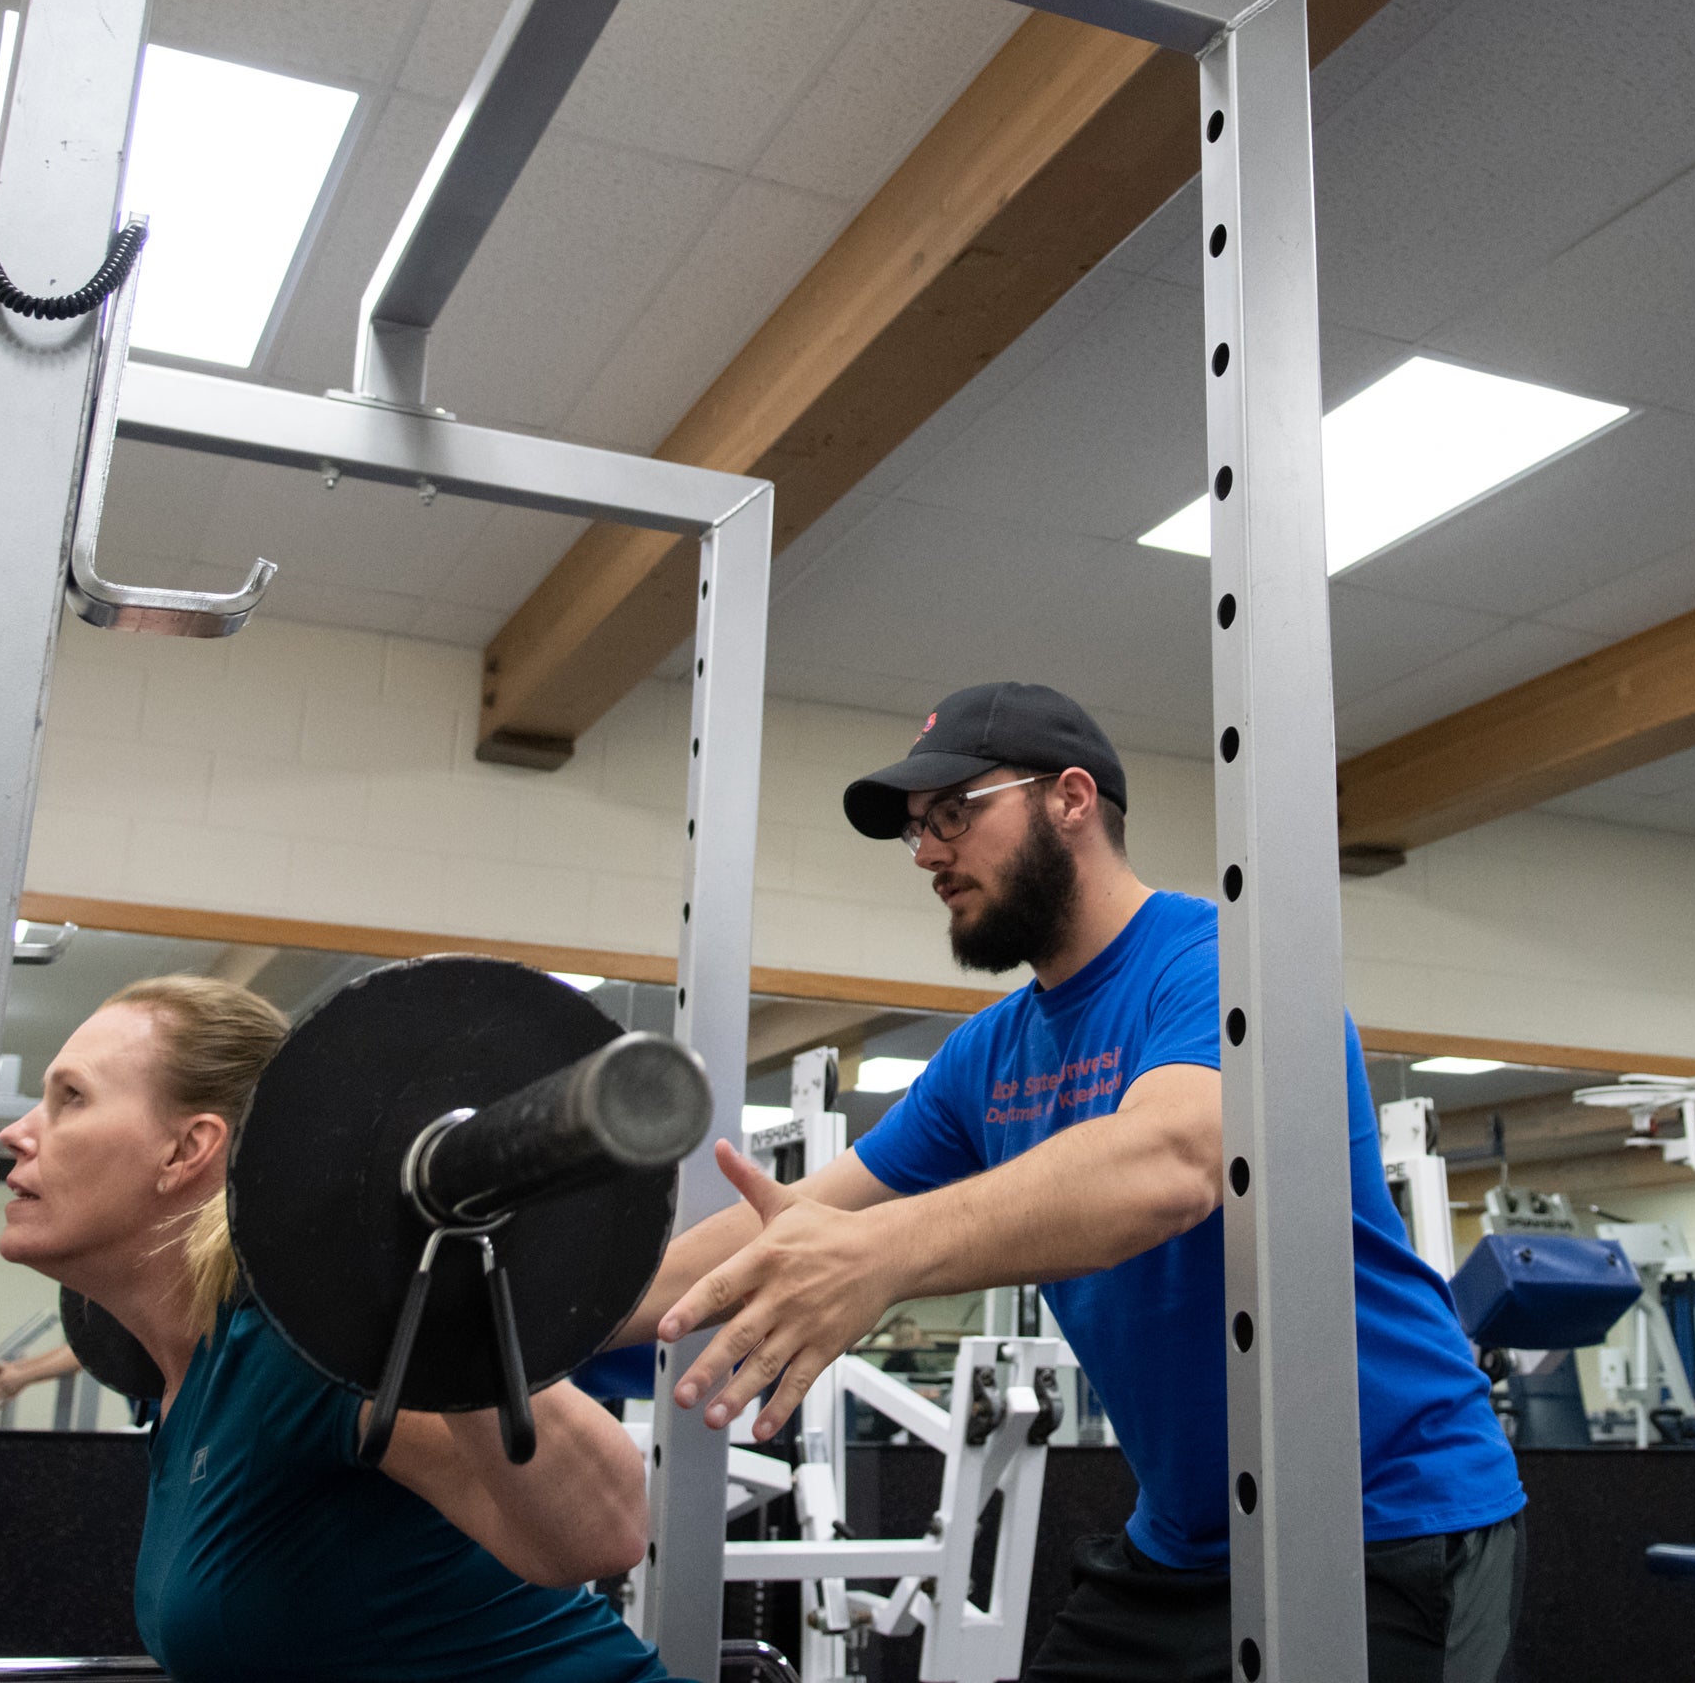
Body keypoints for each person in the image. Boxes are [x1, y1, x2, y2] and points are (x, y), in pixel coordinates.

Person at [618, 683, 1528, 1683]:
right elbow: (775, 1232)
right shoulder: (988, 1057)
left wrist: (879, 1256)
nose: (925, 853)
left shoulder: (1223, 965)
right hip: (1183, 1541)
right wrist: (509, 1330)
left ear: (1072, 799)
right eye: (917, 828)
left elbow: (1175, 1165)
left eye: (954, 814)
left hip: (1387, 1519)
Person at [0, 974, 669, 1683]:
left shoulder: (300, 1357)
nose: (17, 1132)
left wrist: (425, 1262)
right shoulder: (188, 1380)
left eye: (70, 1097)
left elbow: (605, 1528)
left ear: (187, 1150)